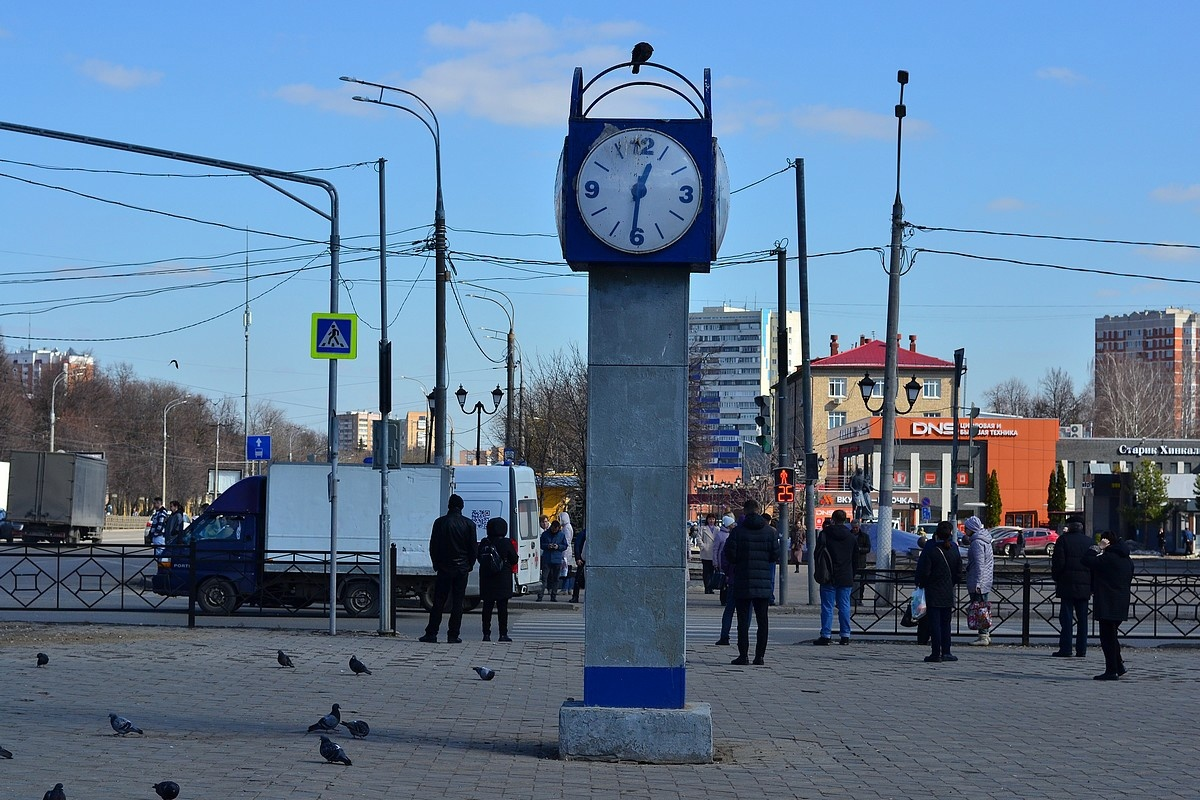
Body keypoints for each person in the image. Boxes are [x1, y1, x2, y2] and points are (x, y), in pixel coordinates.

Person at [419, 493, 477, 644]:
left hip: (444, 568)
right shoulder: (469, 524)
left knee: (439, 602)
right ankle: (453, 635)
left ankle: (431, 633)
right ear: (462, 507)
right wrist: (469, 565)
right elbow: (473, 548)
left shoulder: (440, 523)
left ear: (449, 506)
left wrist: (436, 564)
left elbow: (433, 546)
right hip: (462, 568)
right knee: (458, 603)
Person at [725, 500, 778, 665]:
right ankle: (760, 656)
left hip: (743, 579)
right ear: (758, 510)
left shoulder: (738, 532)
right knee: (763, 620)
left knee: (743, 620)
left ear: (745, 511)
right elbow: (774, 555)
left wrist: (741, 561)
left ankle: (743, 656)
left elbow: (730, 555)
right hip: (763, 582)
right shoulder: (770, 532)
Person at [1083, 530, 1134, 680]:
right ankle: (1118, 666)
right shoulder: (1126, 558)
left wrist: (1097, 548)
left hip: (1108, 601)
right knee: (1112, 636)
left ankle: (1111, 670)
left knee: (1107, 638)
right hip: (1121, 600)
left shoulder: (1109, 557)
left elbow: (1087, 561)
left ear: (1107, 542)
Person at [915, 520, 963, 663]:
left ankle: (936, 653)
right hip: (948, 590)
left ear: (936, 534)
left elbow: (925, 572)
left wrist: (922, 584)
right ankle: (947, 652)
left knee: (935, 623)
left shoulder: (931, 550)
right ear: (951, 534)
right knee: (946, 623)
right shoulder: (954, 548)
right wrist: (950, 583)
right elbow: (959, 572)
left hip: (933, 591)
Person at [813, 509, 857, 645]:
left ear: (832, 519)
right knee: (844, 606)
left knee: (827, 606)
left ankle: (826, 635)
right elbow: (856, 558)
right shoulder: (851, 537)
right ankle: (845, 635)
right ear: (845, 520)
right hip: (845, 576)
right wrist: (852, 573)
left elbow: (817, 554)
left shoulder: (825, 534)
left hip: (828, 575)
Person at [1051, 518, 1093, 657]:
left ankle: (1066, 648)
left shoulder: (1063, 540)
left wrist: (1057, 577)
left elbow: (1058, 563)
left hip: (1067, 583)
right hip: (1084, 585)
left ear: (1070, 527)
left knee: (1066, 618)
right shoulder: (1089, 542)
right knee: (1083, 619)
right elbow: (1094, 565)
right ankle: (1081, 650)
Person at [478, 517, 518, 642]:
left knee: (487, 608)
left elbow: (479, 557)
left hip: (487, 578)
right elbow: (514, 559)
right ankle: (503, 634)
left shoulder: (485, 542)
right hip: (503, 578)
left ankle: (486, 634)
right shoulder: (506, 543)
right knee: (502, 608)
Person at [962, 516, 994, 646]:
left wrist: (978, 583)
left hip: (978, 580)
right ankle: (985, 634)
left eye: (966, 528)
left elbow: (979, 564)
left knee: (980, 609)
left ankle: (983, 636)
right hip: (985, 579)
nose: (965, 531)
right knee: (982, 608)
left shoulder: (977, 542)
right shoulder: (985, 540)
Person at [713, 514, 736, 646]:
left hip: (733, 577)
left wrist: (727, 571)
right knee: (745, 612)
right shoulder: (723, 536)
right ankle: (742, 638)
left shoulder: (732, 539)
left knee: (729, 609)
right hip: (745, 579)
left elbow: (725, 556)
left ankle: (724, 636)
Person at [538, 519, 568, 601]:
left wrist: (558, 547)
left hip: (557, 559)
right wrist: (548, 546)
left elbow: (565, 545)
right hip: (547, 559)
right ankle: (540, 595)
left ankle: (553, 596)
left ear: (558, 528)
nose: (554, 531)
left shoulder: (561, 535)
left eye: (556, 529)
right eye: (553, 529)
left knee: (556, 579)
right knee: (544, 578)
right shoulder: (545, 534)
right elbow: (541, 544)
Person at [851, 520, 872, 606]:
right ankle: (851, 598)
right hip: (850, 562)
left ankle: (859, 599)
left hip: (860, 563)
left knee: (861, 583)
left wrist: (859, 550)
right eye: (853, 528)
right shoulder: (849, 535)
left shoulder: (864, 536)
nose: (855, 529)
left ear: (859, 527)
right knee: (849, 582)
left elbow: (868, 548)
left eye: (856, 527)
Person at [698, 513, 720, 593]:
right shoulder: (703, 528)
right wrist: (703, 546)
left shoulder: (717, 529)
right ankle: (707, 587)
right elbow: (699, 538)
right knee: (706, 571)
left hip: (714, 552)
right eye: (710, 519)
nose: (711, 521)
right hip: (706, 552)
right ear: (707, 520)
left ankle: (711, 587)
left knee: (713, 571)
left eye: (713, 519)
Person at [570, 526, 586, 603]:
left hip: (586, 559)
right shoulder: (584, 533)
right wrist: (578, 558)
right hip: (583, 560)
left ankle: (575, 597)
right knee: (578, 579)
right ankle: (575, 596)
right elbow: (577, 545)